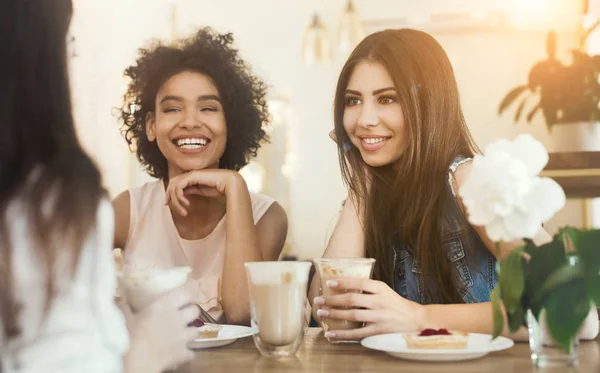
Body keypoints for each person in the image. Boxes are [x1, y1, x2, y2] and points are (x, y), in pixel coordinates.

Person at [309, 28, 599, 342]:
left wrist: (418, 317)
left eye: (387, 99)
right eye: (353, 100)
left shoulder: (471, 180)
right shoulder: (371, 193)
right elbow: (332, 316)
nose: (364, 119)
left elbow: (578, 314)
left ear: (429, 104)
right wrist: (360, 183)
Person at [0, 1, 198, 372]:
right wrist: (144, 353)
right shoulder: (53, 200)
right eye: (68, 42)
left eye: (208, 107)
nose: (190, 121)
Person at [113, 27, 288, 325]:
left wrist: (235, 187)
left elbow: (242, 313)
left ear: (229, 125)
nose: (190, 122)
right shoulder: (128, 210)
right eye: (172, 109)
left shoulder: (268, 217)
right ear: (152, 127)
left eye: (208, 108)